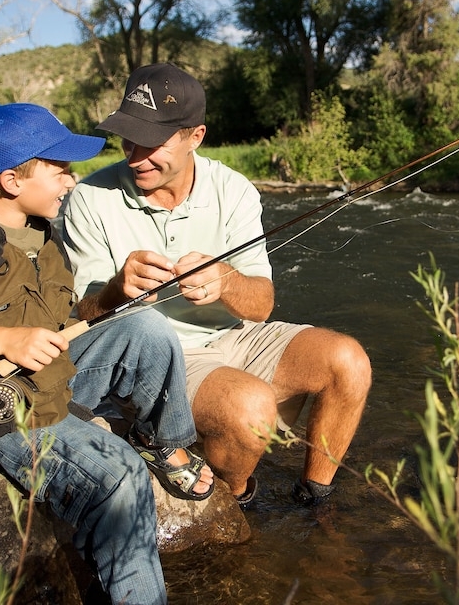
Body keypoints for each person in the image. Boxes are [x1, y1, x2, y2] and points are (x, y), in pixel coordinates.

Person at [0, 102, 214, 605]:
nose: (71, 180)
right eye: (58, 169)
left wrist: (120, 292)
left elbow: (66, 318)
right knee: (119, 475)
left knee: (146, 325)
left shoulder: (45, 237)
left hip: (53, 381)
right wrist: (4, 341)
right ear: (13, 180)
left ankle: (164, 442)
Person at [62, 63, 372, 507]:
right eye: (128, 137)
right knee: (249, 410)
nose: (135, 155)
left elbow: (261, 305)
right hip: (159, 358)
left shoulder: (235, 190)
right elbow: (83, 315)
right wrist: (116, 289)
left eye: (153, 142)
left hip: (237, 336)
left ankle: (315, 500)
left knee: (349, 361)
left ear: (196, 136)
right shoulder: (89, 199)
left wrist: (226, 280)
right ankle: (237, 503)